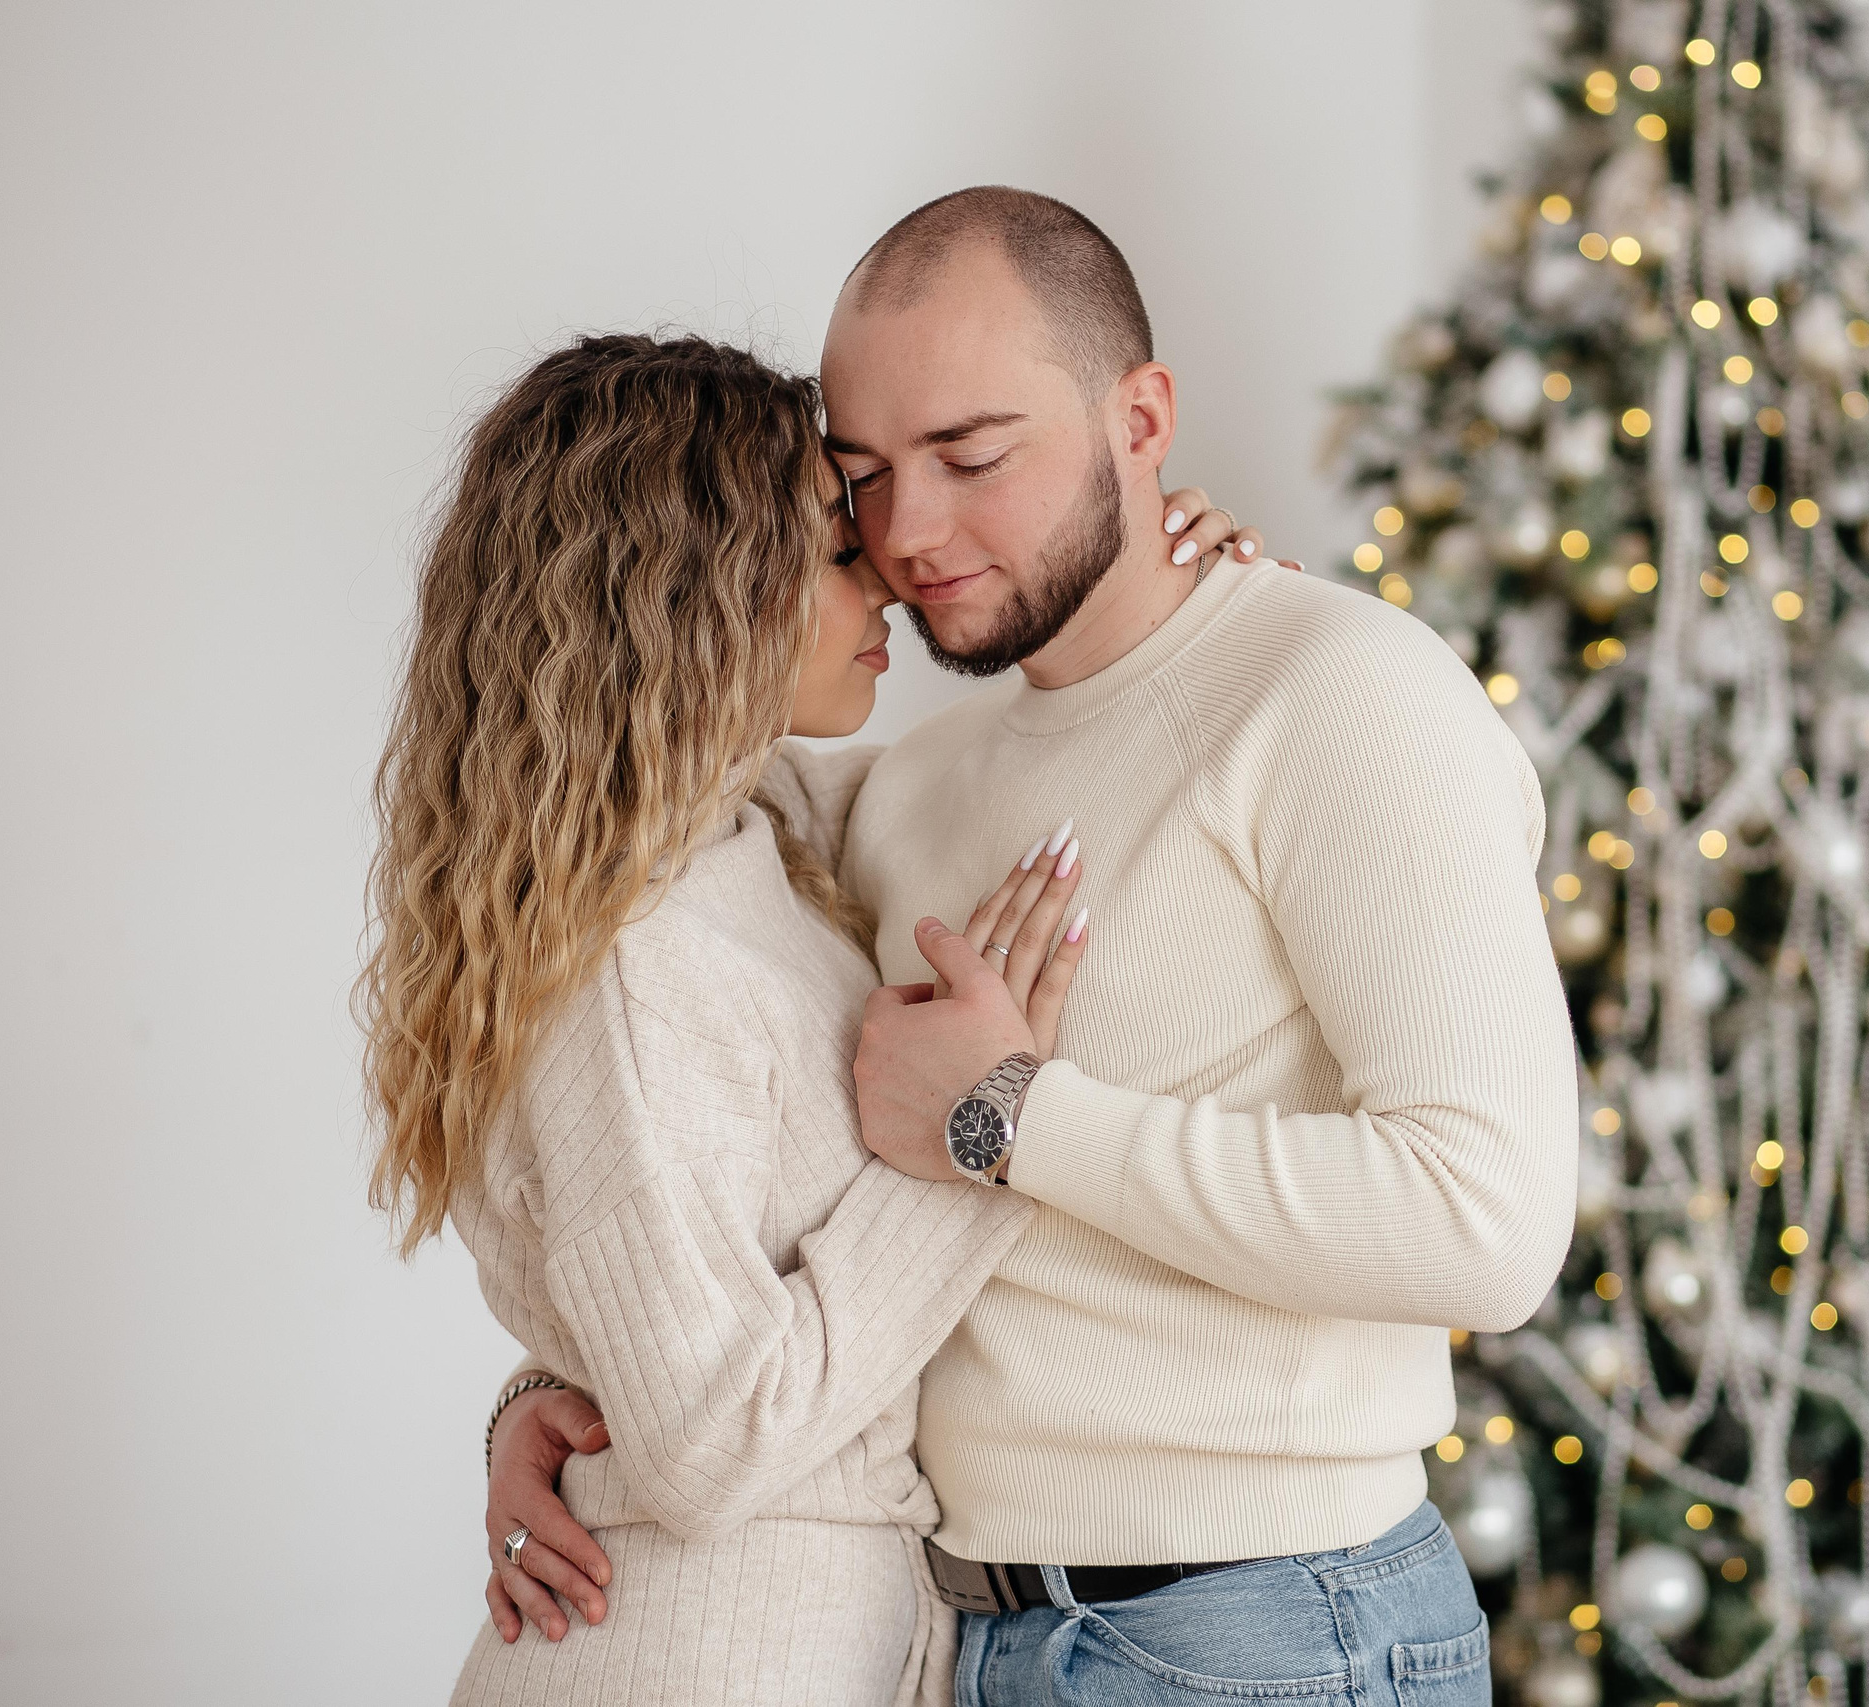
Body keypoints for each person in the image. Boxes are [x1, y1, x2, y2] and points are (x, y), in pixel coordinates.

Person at [490, 187, 1581, 1705]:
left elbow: (1492, 1224)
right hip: (956, 1638)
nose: (910, 535)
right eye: (863, 475)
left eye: (974, 455)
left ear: (1142, 419)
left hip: (1260, 1638)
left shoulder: (1343, 699)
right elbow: (634, 793)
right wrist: (569, 1383)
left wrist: (1013, 1120)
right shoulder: (909, 783)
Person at [363, 332, 1265, 1705]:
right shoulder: (633, 963)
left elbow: (1012, 776)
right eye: (838, 550)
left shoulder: (750, 837)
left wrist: (1178, 607)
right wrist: (978, 1136)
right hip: (698, 1658)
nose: (892, 574)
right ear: (696, 593)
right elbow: (707, 1440)